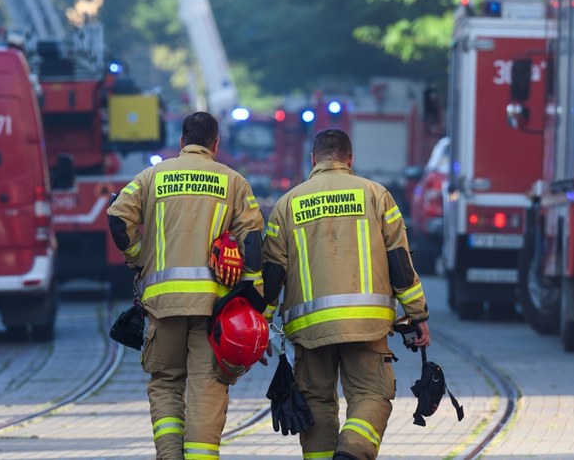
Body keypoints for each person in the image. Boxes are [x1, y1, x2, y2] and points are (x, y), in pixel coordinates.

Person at [261, 128, 431, 460]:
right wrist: (418, 314)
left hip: (310, 330)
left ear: (313, 160)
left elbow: (272, 274)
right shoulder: (376, 195)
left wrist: (261, 323)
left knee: (317, 403)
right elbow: (400, 262)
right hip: (366, 324)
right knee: (371, 394)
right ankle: (352, 451)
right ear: (350, 159)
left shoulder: (286, 205)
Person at [108, 111, 266, 460]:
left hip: (163, 306)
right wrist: (256, 301)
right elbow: (253, 243)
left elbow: (118, 219)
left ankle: (169, 455)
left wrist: (139, 256)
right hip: (214, 308)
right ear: (216, 144)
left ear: (181, 142)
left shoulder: (151, 177)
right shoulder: (233, 181)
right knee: (208, 386)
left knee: (165, 382)